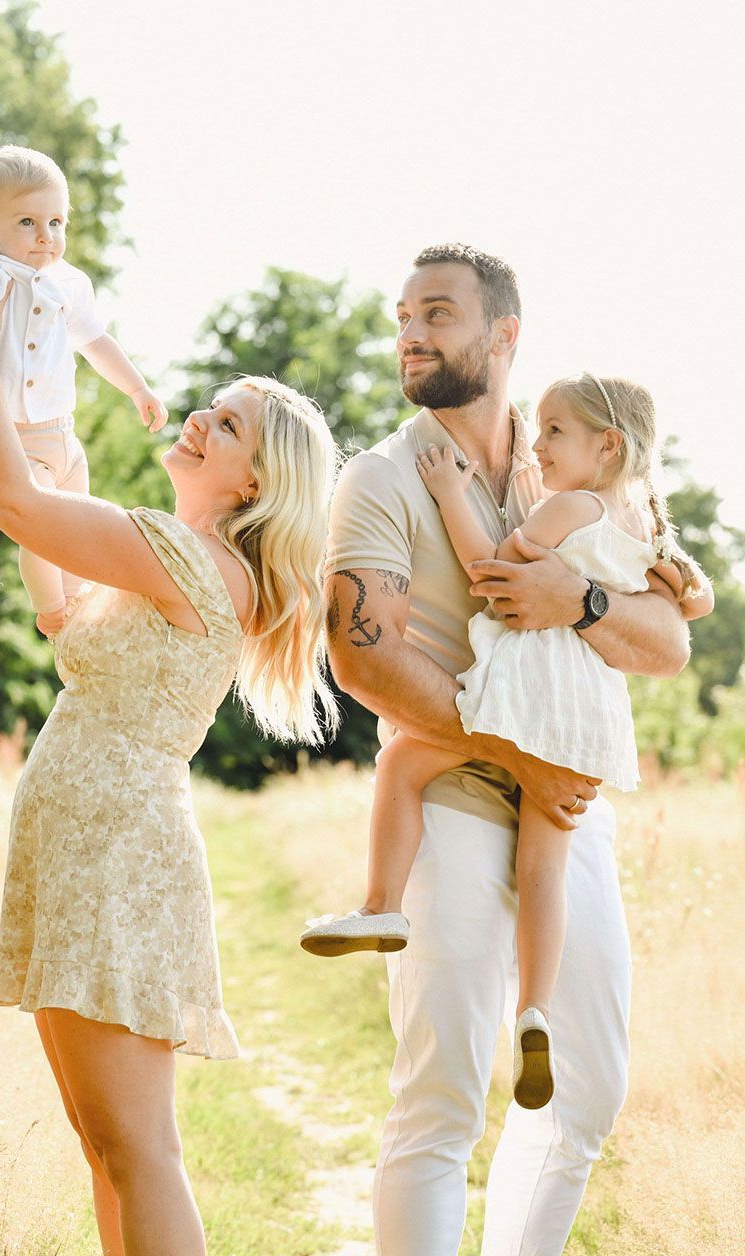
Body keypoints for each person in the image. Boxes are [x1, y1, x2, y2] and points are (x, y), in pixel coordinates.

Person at [322, 244, 707, 1256]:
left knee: (585, 1081)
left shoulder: (573, 463)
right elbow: (362, 656)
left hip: (564, 808)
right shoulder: (383, 476)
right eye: (402, 315)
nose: (411, 332)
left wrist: (582, 605)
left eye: (437, 313)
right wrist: (512, 750)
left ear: (503, 334)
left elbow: (664, 642)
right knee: (442, 1089)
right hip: (454, 798)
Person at [0, 289, 338, 1256]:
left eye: (226, 425)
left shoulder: (185, 554)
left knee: (141, 1146)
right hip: (85, 846)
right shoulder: (173, 560)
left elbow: (6, 502)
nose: (199, 423)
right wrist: (59, 464)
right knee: (106, 1145)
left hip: (117, 852)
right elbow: (60, 618)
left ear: (254, 480)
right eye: (208, 411)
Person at [303, 373, 711, 1113]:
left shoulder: (570, 506)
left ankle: (380, 904)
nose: (540, 443)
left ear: (606, 446)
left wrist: (450, 493)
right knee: (544, 868)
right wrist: (677, 585)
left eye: (556, 431)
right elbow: (692, 600)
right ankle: (535, 1012)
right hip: (585, 717)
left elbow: (493, 570)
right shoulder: (645, 519)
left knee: (400, 761)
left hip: (525, 698)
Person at [0, 143, 168, 636]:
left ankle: (77, 600)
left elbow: (96, 341)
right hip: (18, 437)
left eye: (56, 222)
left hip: (65, 434)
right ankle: (50, 608)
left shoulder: (68, 282)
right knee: (39, 524)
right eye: (27, 222)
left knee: (77, 527)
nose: (45, 236)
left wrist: (138, 388)